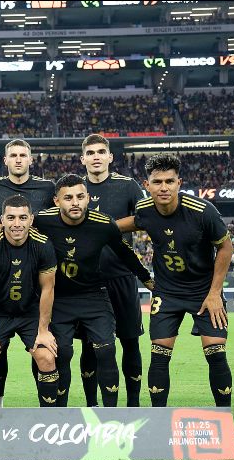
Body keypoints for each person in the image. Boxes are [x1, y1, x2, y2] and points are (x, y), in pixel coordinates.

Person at [116, 154, 234, 446]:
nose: (164, 187)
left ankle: (226, 424)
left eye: (169, 181)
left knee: (216, 352)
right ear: (147, 185)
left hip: (204, 292)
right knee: (159, 354)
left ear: (179, 183)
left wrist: (214, 294)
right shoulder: (145, 210)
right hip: (167, 292)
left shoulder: (203, 210)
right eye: (157, 182)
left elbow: (226, 249)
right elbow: (116, 227)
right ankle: (159, 425)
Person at [6, 175, 153, 407]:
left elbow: (125, 254)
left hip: (94, 296)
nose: (75, 202)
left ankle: (110, 416)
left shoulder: (103, 223)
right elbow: (15, 227)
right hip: (58, 299)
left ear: (87, 199)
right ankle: (61, 416)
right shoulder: (42, 221)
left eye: (80, 197)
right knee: (62, 354)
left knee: (106, 349)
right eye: (68, 198)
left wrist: (147, 279)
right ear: (56, 201)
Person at [0, 139, 55, 407]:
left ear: (31, 159)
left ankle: (47, 411)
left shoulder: (47, 188)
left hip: (34, 276)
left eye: (23, 155)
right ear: (5, 160)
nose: (18, 159)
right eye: (13, 155)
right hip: (1, 275)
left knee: (43, 352)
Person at [0, 195, 59, 408]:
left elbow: (48, 288)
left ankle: (49, 420)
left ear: (31, 219)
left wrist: (44, 330)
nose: (17, 224)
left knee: (47, 358)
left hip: (30, 314)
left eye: (22, 218)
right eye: (11, 218)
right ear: (2, 219)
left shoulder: (43, 245)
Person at [80, 134, 147, 407]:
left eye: (101, 152)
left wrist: (107, 228)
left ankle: (132, 407)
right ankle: (92, 406)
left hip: (121, 276)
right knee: (88, 345)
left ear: (110, 157)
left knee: (130, 341)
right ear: (83, 159)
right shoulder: (74, 188)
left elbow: (144, 217)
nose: (96, 157)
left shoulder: (127, 185)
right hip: (86, 282)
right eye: (90, 153)